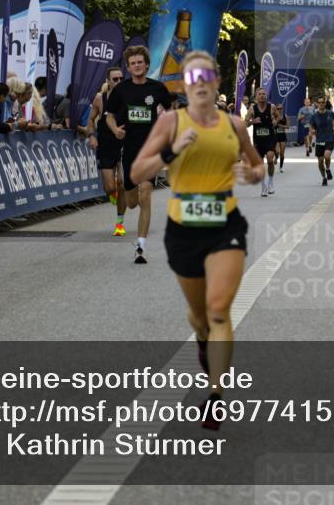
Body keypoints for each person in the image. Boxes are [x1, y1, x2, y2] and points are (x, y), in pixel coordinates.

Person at [129, 51, 264, 429]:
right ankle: (204, 339)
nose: (200, 81)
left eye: (207, 74)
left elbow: (257, 165)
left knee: (219, 309)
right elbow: (139, 169)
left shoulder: (234, 126)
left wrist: (251, 173)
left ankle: (216, 396)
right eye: (192, 76)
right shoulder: (172, 121)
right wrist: (174, 149)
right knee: (200, 316)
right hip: (183, 228)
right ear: (186, 86)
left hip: (225, 224)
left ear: (217, 81)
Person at [105, 45, 173, 264]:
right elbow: (109, 116)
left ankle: (141, 247)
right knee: (133, 200)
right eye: (133, 63)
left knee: (146, 193)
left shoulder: (157, 88)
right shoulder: (121, 90)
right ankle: (127, 195)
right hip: (129, 149)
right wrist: (115, 129)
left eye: (140, 62)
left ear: (146, 65)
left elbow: (170, 112)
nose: (137, 66)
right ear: (128, 67)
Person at [88, 66, 128, 235]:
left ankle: (119, 224)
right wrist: (91, 136)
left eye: (121, 79)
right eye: (115, 79)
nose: (119, 82)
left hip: (125, 145)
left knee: (122, 184)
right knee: (110, 187)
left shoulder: (129, 97)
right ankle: (113, 196)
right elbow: (90, 119)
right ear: (108, 81)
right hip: (105, 146)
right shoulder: (100, 99)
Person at [246, 87, 278, 197]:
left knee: (270, 159)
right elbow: (245, 123)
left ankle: (271, 182)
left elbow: (278, 117)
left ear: (266, 96)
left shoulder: (272, 107)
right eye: (259, 94)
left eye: (264, 94)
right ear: (256, 97)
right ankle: (263, 186)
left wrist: (275, 121)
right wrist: (252, 121)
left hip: (270, 138)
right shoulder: (252, 109)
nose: (262, 96)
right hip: (258, 140)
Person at [308, 95, 334, 186]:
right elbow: (311, 127)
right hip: (319, 140)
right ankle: (324, 177)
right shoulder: (314, 116)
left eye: (322, 102)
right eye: (319, 102)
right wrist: (312, 132)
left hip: (329, 138)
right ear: (317, 104)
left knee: (327, 156)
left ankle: (328, 169)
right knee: (320, 161)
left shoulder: (330, 113)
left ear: (325, 103)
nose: (321, 104)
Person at [273, 103, 288, 172]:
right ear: (276, 109)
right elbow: (274, 125)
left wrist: (281, 126)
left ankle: (281, 167)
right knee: (276, 151)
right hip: (276, 136)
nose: (279, 110)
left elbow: (287, 126)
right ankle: (276, 157)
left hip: (282, 135)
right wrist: (277, 120)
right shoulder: (274, 117)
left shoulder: (285, 116)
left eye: (280, 108)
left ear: (282, 109)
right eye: (278, 108)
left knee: (282, 153)